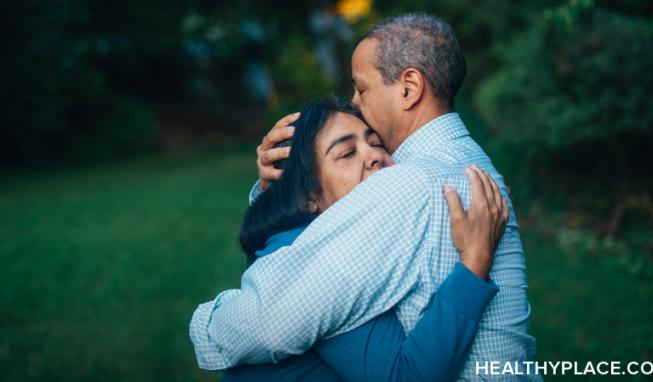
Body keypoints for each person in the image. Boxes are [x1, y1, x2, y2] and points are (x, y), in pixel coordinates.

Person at [191, 13, 539, 380]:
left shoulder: (407, 185)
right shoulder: (473, 167)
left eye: (362, 88)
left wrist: (205, 323)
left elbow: (269, 321)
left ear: (408, 87)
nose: (355, 103)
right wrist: (275, 188)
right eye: (346, 151)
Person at [221, 98, 507, 381]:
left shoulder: (333, 237)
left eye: (377, 143)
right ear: (308, 196)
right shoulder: (321, 264)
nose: (374, 155)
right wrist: (474, 262)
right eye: (347, 153)